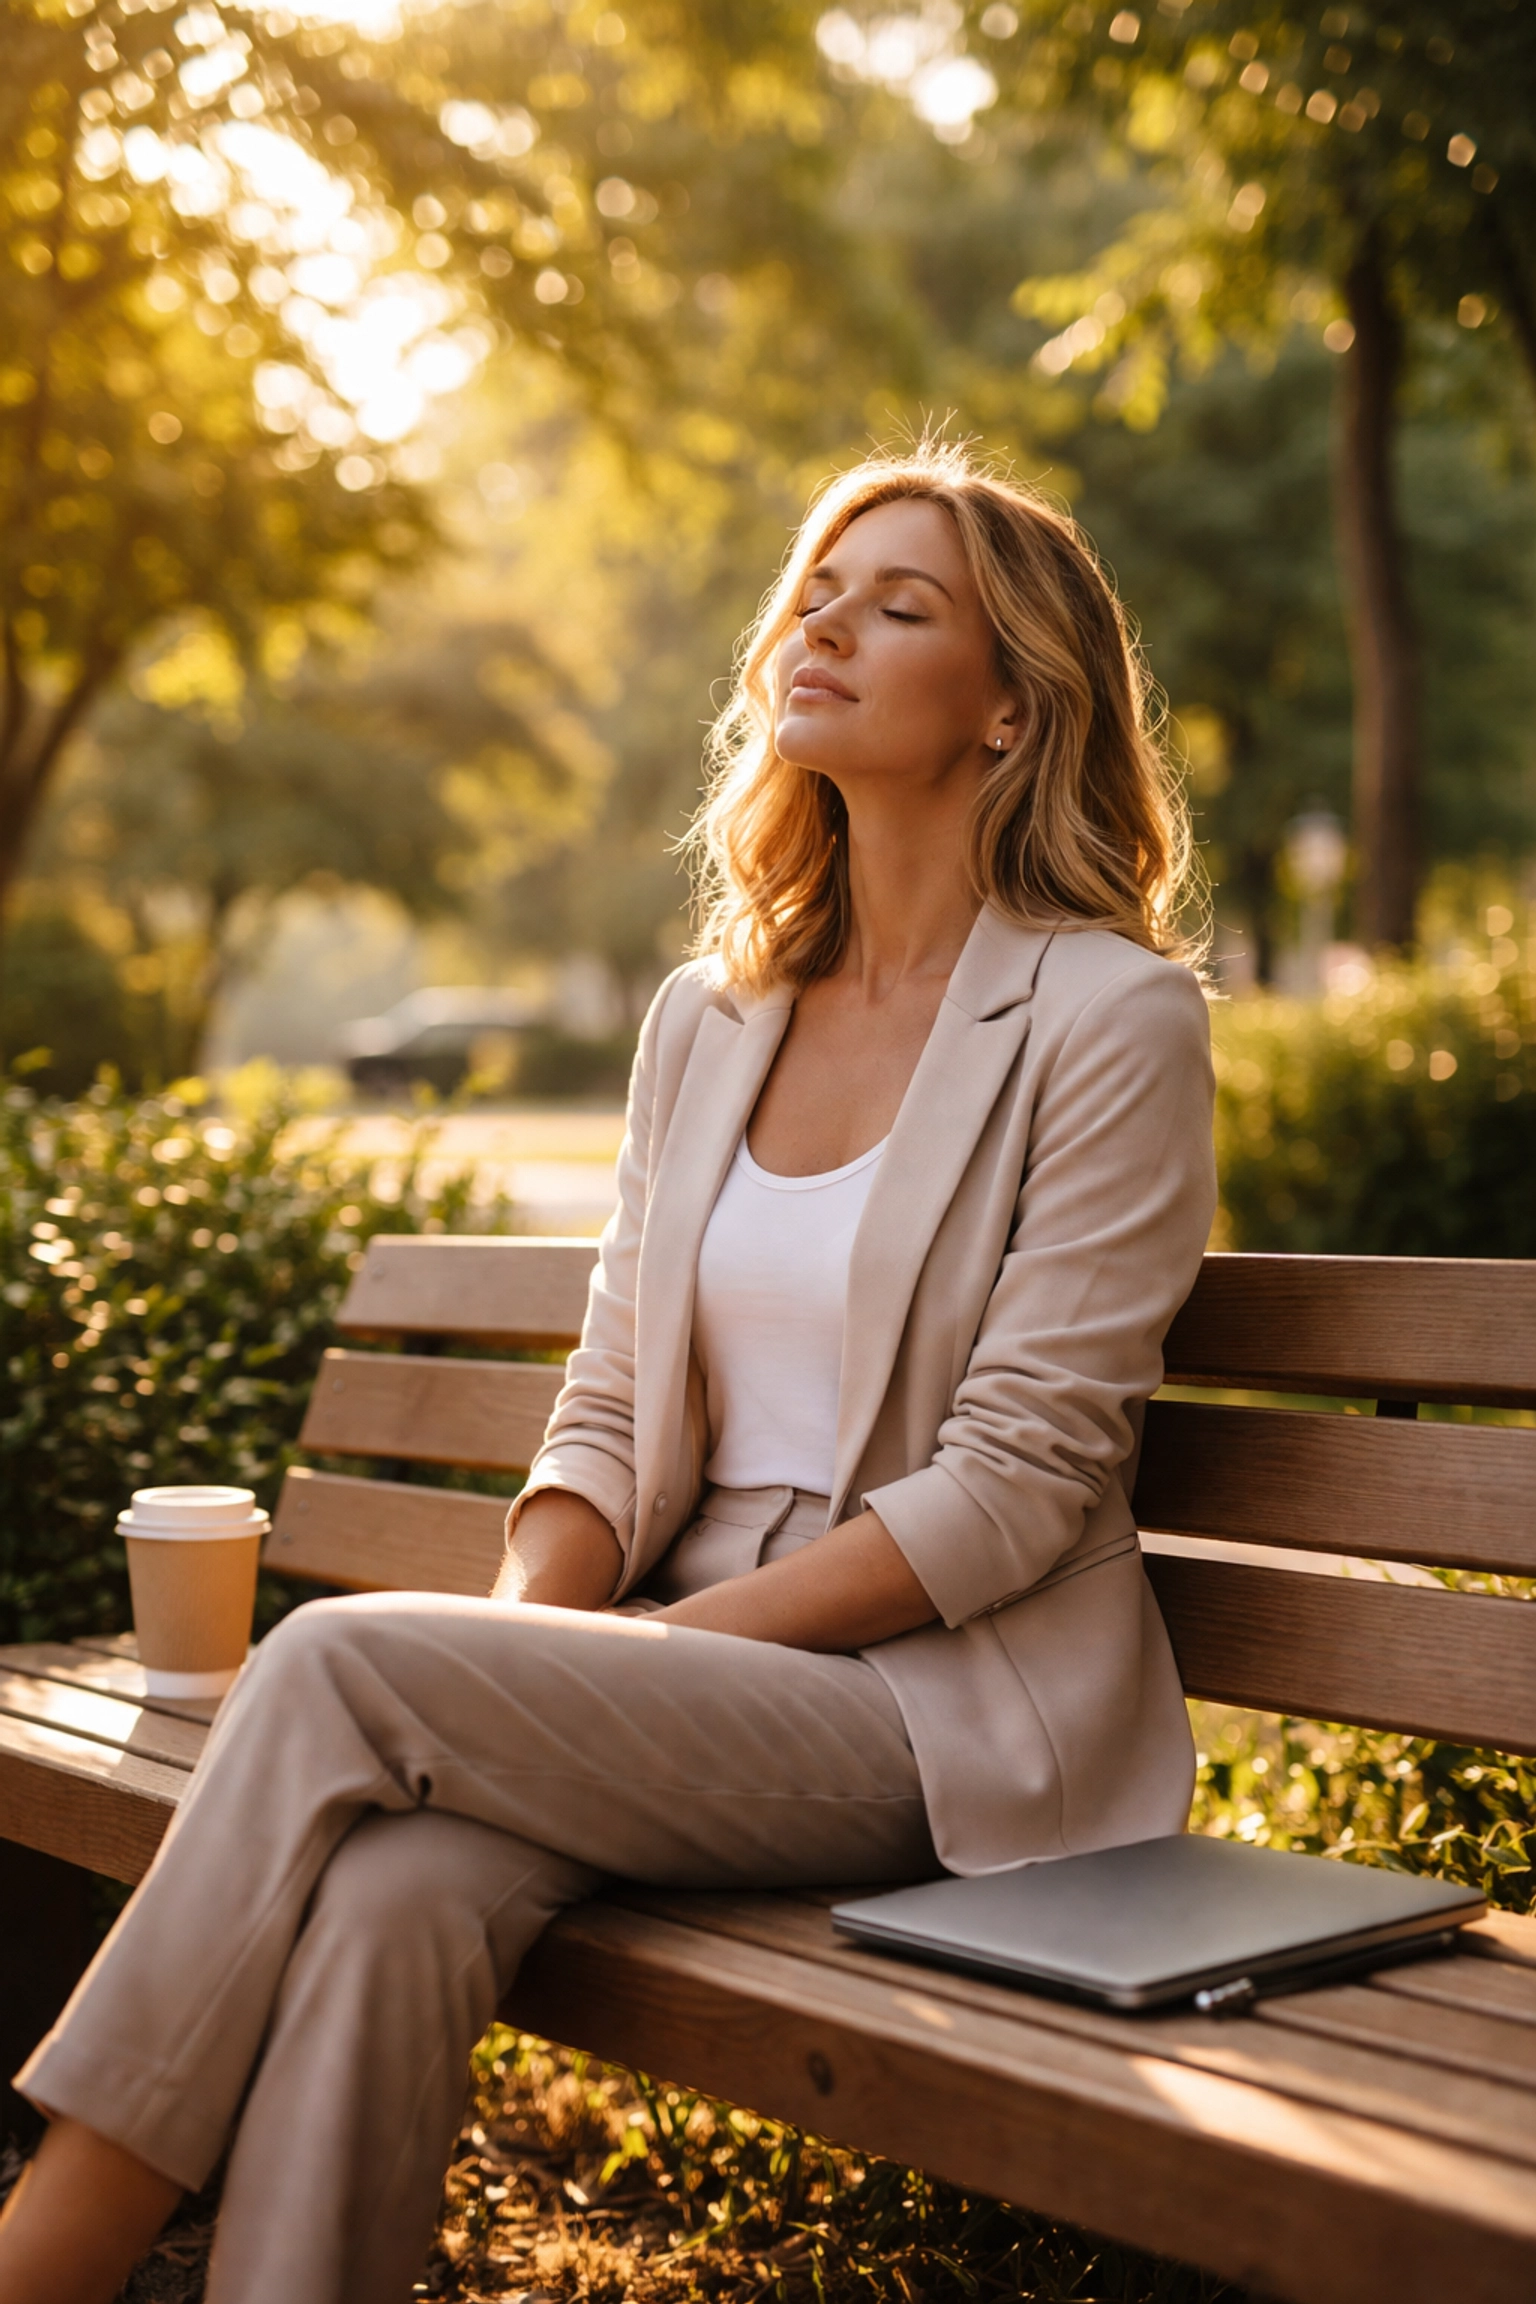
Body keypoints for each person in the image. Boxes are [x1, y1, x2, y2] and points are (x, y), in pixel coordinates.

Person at [0, 441, 1216, 2304]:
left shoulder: (1107, 1017)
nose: (828, 621)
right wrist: (549, 1655)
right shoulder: (709, 1020)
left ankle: (44, 2255)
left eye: (903, 608)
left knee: (332, 1657)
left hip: (936, 1713)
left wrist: (620, 1668)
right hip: (674, 1665)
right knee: (399, 1890)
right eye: (820, 586)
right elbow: (609, 1408)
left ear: (1009, 709)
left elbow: (1017, 1487)